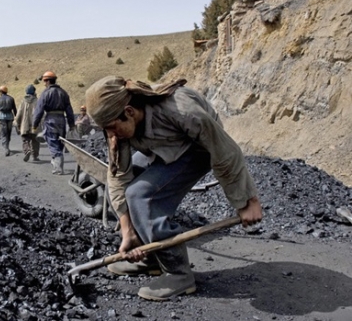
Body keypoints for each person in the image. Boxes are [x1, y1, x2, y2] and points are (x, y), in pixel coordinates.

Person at [85, 76, 263, 301]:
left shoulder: (182, 110)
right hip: (163, 145)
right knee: (126, 186)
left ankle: (178, 274)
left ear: (129, 112)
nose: (111, 135)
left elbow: (226, 152)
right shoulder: (118, 127)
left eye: (112, 128)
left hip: (198, 147)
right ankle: (151, 257)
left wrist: (247, 201)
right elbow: (119, 176)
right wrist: (127, 232)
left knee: (142, 195)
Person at [32, 71, 75, 175]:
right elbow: (69, 110)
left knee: (52, 141)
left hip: (50, 119)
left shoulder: (45, 93)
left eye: (44, 81)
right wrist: (71, 124)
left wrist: (35, 124)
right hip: (62, 120)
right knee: (60, 142)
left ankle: (58, 167)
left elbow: (39, 110)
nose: (44, 83)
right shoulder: (63, 93)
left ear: (47, 81)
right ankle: (57, 163)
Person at [14, 84, 40, 162]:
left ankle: (27, 150)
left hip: (25, 126)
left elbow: (19, 114)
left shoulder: (23, 102)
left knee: (25, 140)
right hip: (34, 125)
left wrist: (17, 123)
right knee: (35, 141)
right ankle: (35, 156)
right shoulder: (37, 101)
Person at [0, 86, 17, 156]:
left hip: (2, 117)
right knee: (8, 133)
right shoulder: (11, 98)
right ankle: (8, 147)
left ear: (1, 92)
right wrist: (17, 117)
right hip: (10, 117)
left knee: (3, 133)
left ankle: (6, 149)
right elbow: (15, 109)